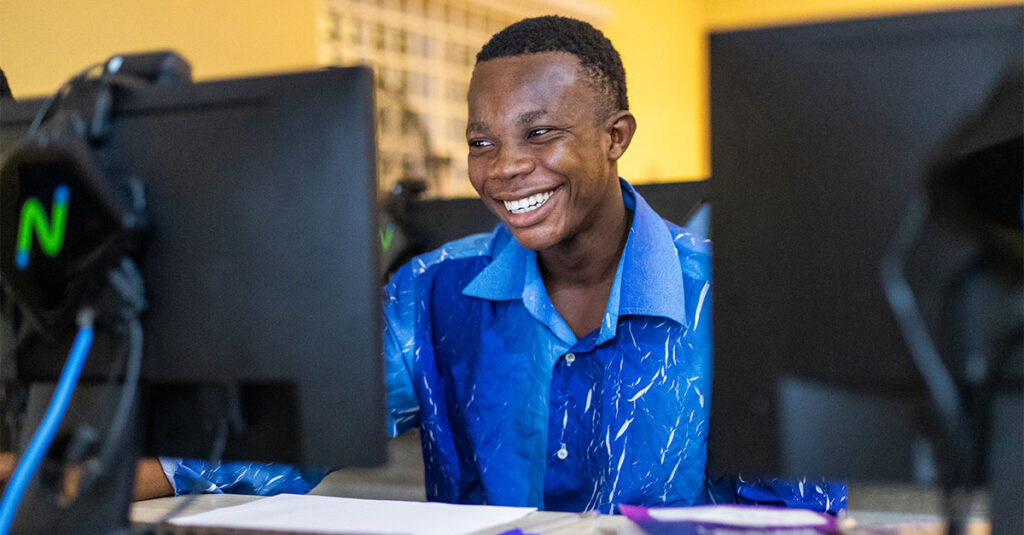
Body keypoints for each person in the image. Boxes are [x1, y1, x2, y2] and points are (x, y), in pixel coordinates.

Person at [120, 16, 846, 513]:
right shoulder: (432, 293)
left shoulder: (737, 299)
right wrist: (79, 478)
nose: (505, 170)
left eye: (541, 133)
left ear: (616, 135)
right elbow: (287, 432)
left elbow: (800, 512)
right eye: (481, 142)